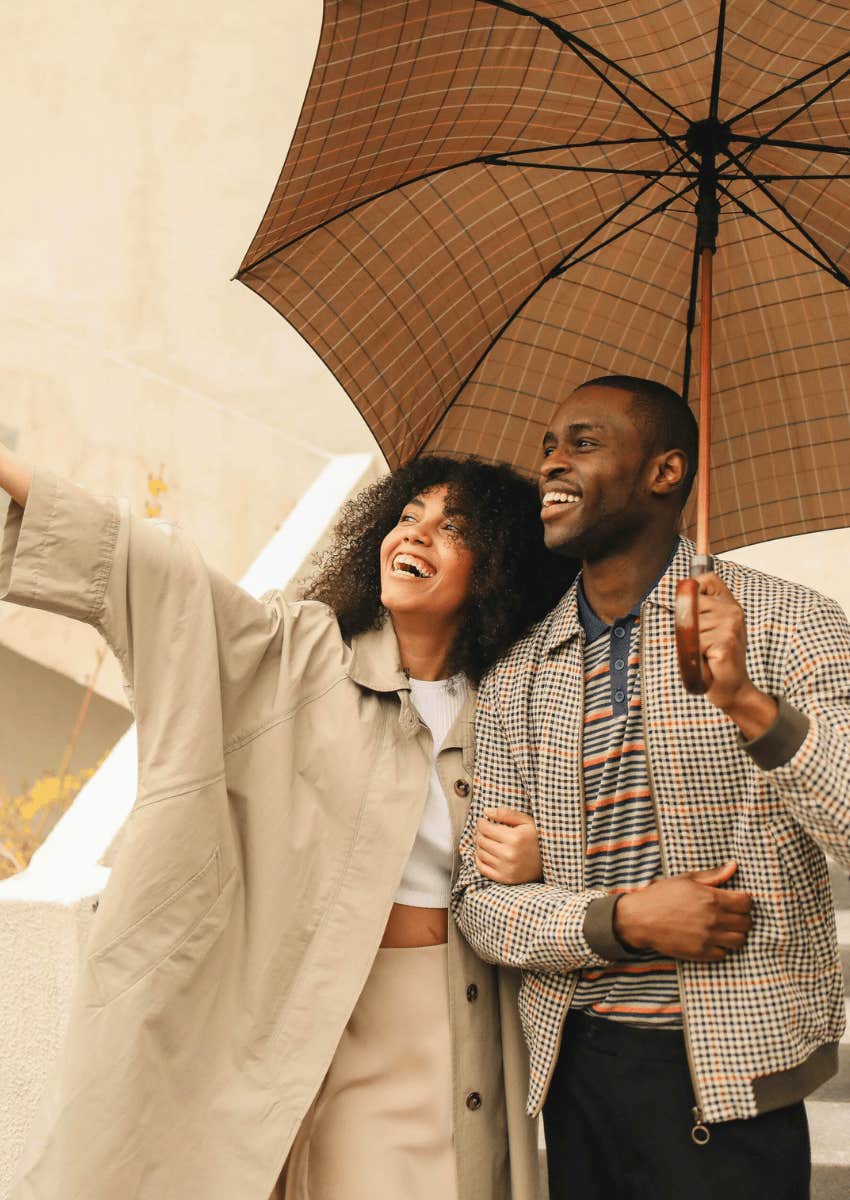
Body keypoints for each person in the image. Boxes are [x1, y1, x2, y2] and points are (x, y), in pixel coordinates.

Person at [0, 445, 575, 1200]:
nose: (415, 536)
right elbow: (161, 577)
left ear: (497, 564)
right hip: (327, 1011)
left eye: (452, 527)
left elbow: (600, 841)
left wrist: (545, 858)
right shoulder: (298, 655)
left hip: (461, 1021)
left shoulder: (519, 701)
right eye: (407, 517)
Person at [453, 375, 850, 1200]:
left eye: (584, 442)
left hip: (736, 1083)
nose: (553, 463)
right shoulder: (520, 676)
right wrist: (624, 918)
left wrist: (746, 701)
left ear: (666, 473)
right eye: (548, 446)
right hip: (578, 1080)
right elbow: (479, 904)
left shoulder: (794, 626)